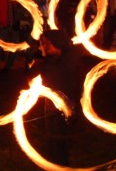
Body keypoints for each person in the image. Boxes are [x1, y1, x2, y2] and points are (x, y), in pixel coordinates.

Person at [28, 29, 87, 165]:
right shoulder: (65, 58)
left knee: (57, 144)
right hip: (59, 108)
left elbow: (32, 75)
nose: (42, 47)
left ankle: (59, 165)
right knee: (56, 144)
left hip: (58, 110)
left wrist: (38, 63)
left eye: (46, 44)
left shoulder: (58, 65)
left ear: (58, 45)